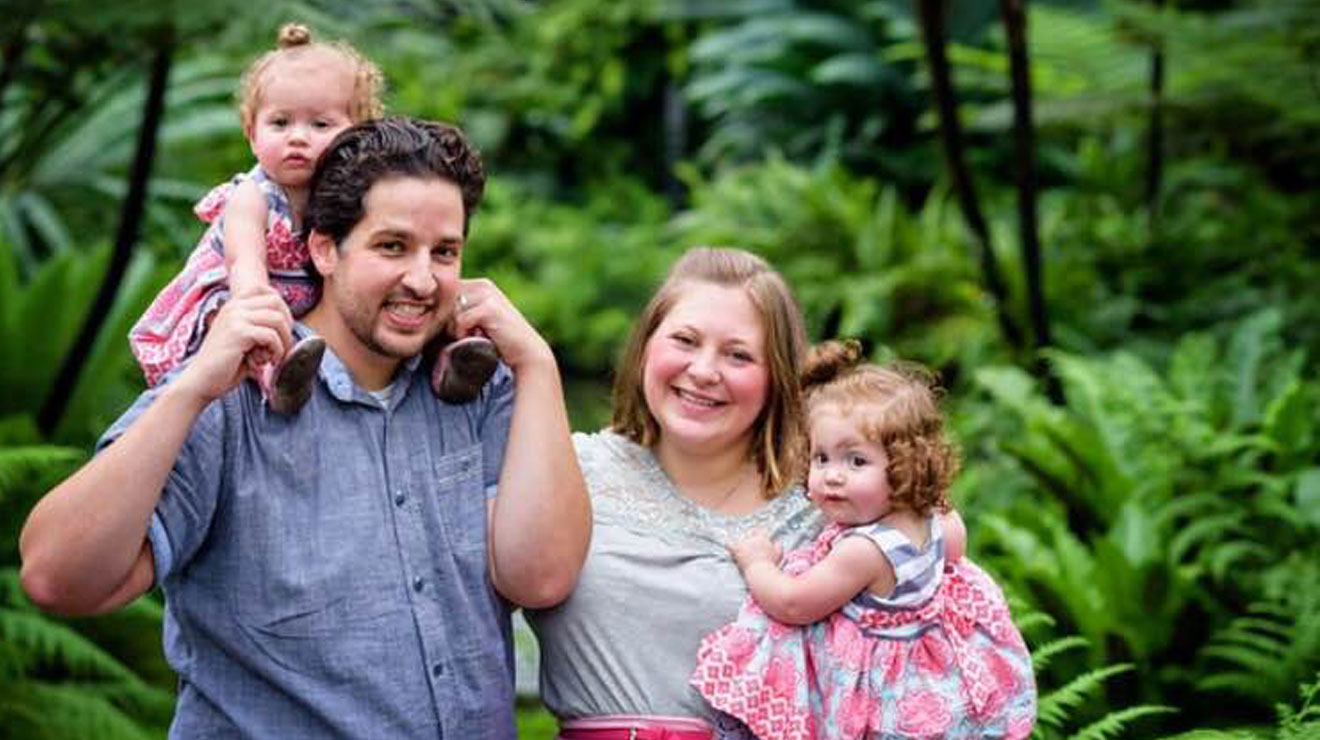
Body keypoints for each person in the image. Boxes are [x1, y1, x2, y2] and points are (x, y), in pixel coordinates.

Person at [20, 116, 591, 739]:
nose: (424, 280)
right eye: (392, 246)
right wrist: (188, 390)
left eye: (445, 252)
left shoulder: (482, 386)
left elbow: (540, 576)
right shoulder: (231, 393)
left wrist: (538, 365)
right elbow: (57, 578)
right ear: (324, 249)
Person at [526, 246, 820, 740]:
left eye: (739, 355)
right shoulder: (571, 470)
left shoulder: (820, 509)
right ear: (645, 347)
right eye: (685, 340)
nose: (704, 371)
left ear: (777, 379)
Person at [128, 23, 495, 412]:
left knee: (425, 298)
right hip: (241, 294)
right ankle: (277, 381)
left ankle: (452, 363)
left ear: (357, 133)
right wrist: (255, 299)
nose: (297, 138)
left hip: (304, 303)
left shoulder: (349, 193)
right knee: (251, 328)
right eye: (280, 123)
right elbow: (244, 261)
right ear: (252, 133)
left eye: (320, 124)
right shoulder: (252, 196)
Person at [691, 340, 1036, 740]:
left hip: (880, 696)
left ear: (905, 466)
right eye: (822, 458)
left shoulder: (864, 551)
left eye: (856, 461)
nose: (833, 475)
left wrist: (757, 562)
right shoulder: (936, 519)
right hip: (928, 676)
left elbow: (792, 603)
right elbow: (953, 553)